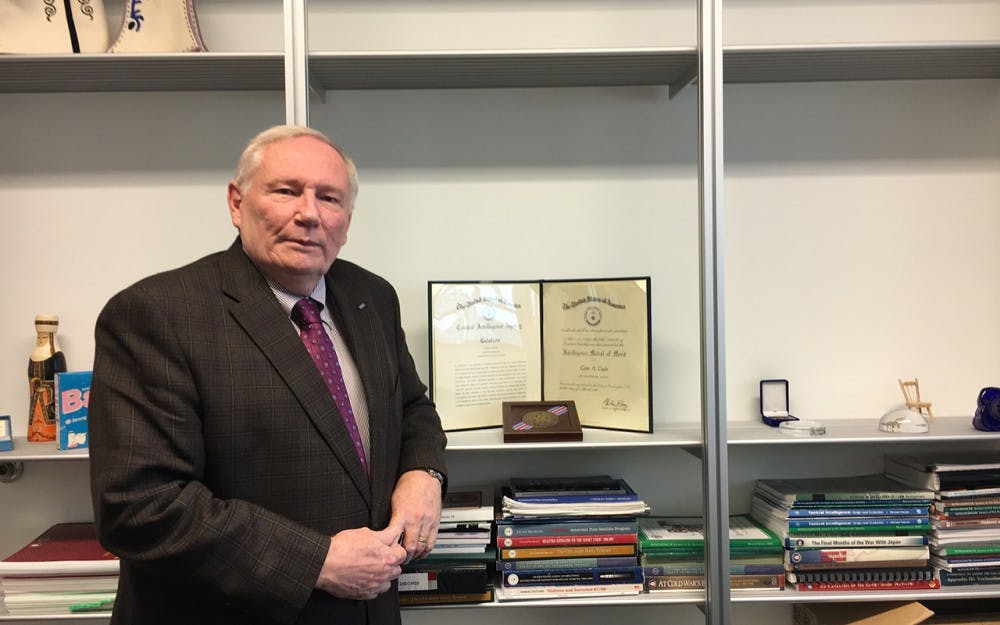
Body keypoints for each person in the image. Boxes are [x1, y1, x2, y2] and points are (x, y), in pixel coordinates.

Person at [89, 125, 448, 625]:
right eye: (286, 191)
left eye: (329, 197)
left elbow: (413, 409)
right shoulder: (156, 314)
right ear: (237, 204)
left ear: (346, 220)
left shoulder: (372, 298)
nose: (309, 214)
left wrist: (423, 475)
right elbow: (139, 507)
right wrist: (316, 562)